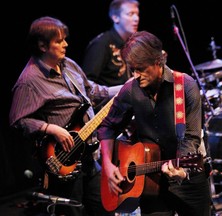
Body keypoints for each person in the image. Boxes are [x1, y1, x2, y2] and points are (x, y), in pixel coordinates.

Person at [9, 16, 116, 216]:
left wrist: (123, 89)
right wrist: (51, 129)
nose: (65, 44)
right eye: (59, 41)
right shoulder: (29, 81)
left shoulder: (69, 64)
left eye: (65, 39)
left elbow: (92, 92)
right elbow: (17, 120)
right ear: (42, 45)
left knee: (105, 210)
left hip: (91, 157)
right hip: (65, 163)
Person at [97, 31, 211, 216]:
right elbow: (108, 127)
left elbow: (190, 136)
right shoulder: (130, 90)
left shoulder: (185, 86)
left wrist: (181, 169)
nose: (136, 75)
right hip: (150, 184)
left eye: (140, 68)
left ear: (158, 62)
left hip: (187, 175)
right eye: (132, 69)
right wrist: (108, 165)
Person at [82, 0, 140, 88]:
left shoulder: (132, 43)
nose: (136, 19)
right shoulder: (101, 43)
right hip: (109, 100)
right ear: (115, 17)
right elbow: (87, 83)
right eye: (131, 14)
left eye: (137, 14)